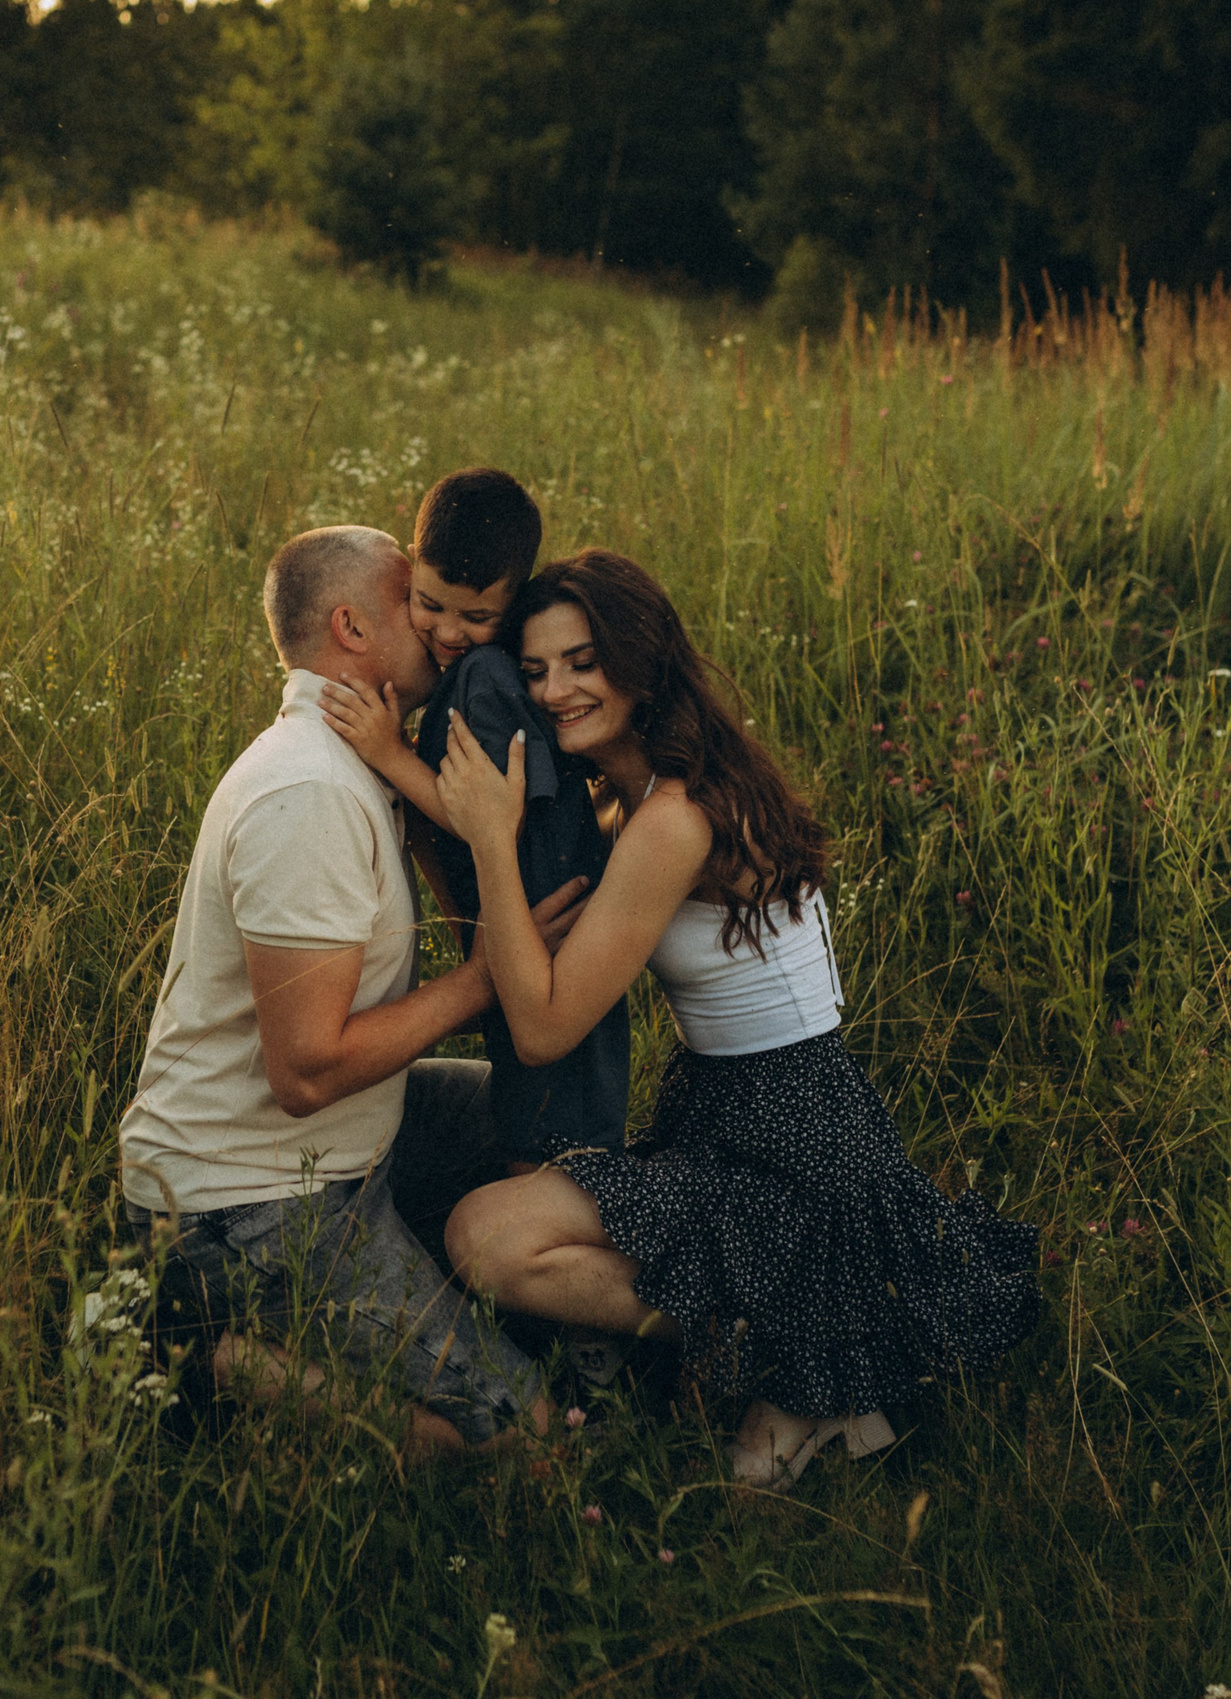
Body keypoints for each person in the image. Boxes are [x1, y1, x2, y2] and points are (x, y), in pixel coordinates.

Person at [434, 549, 1040, 1487]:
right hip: (730, 1112)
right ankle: (799, 1342)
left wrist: (486, 833)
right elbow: (525, 954)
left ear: (641, 659)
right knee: (499, 1224)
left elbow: (543, 1027)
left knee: (487, 1236)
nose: (556, 690)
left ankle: (806, 1340)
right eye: (537, 669)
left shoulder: (673, 819)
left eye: (584, 661)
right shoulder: (645, 795)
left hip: (798, 1138)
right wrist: (404, 766)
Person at [114, 524, 582, 1456]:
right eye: (414, 605)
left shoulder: (356, 764)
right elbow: (308, 1070)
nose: (442, 630)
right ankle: (206, 1354)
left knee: (544, 1119)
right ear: (352, 627)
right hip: (244, 1206)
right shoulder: (309, 793)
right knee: (521, 1436)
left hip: (350, 1144)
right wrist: (487, 981)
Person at [319, 468, 631, 1172]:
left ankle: (562, 1256)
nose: (450, 631)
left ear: (514, 604)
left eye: (478, 616)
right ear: (410, 568)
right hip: (525, 935)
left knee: (553, 1139)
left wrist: (388, 753)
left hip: (549, 941)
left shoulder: (487, 678)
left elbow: (484, 818)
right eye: (430, 604)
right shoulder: (474, 673)